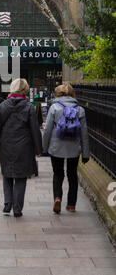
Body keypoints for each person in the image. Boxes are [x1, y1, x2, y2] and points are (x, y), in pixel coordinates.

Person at [0, 78, 42, 217]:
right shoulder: (28, 106)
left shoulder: (4, 105)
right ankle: (17, 208)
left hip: (6, 144)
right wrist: (38, 149)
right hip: (24, 146)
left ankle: (7, 203)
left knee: (7, 175)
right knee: (21, 177)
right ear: (25, 89)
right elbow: (35, 129)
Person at [42, 83, 90, 214]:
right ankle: (71, 205)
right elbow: (84, 133)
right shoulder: (80, 109)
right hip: (73, 148)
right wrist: (86, 153)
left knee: (58, 174)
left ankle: (57, 197)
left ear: (58, 94)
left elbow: (47, 130)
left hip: (56, 147)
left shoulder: (54, 107)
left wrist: (44, 148)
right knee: (72, 174)